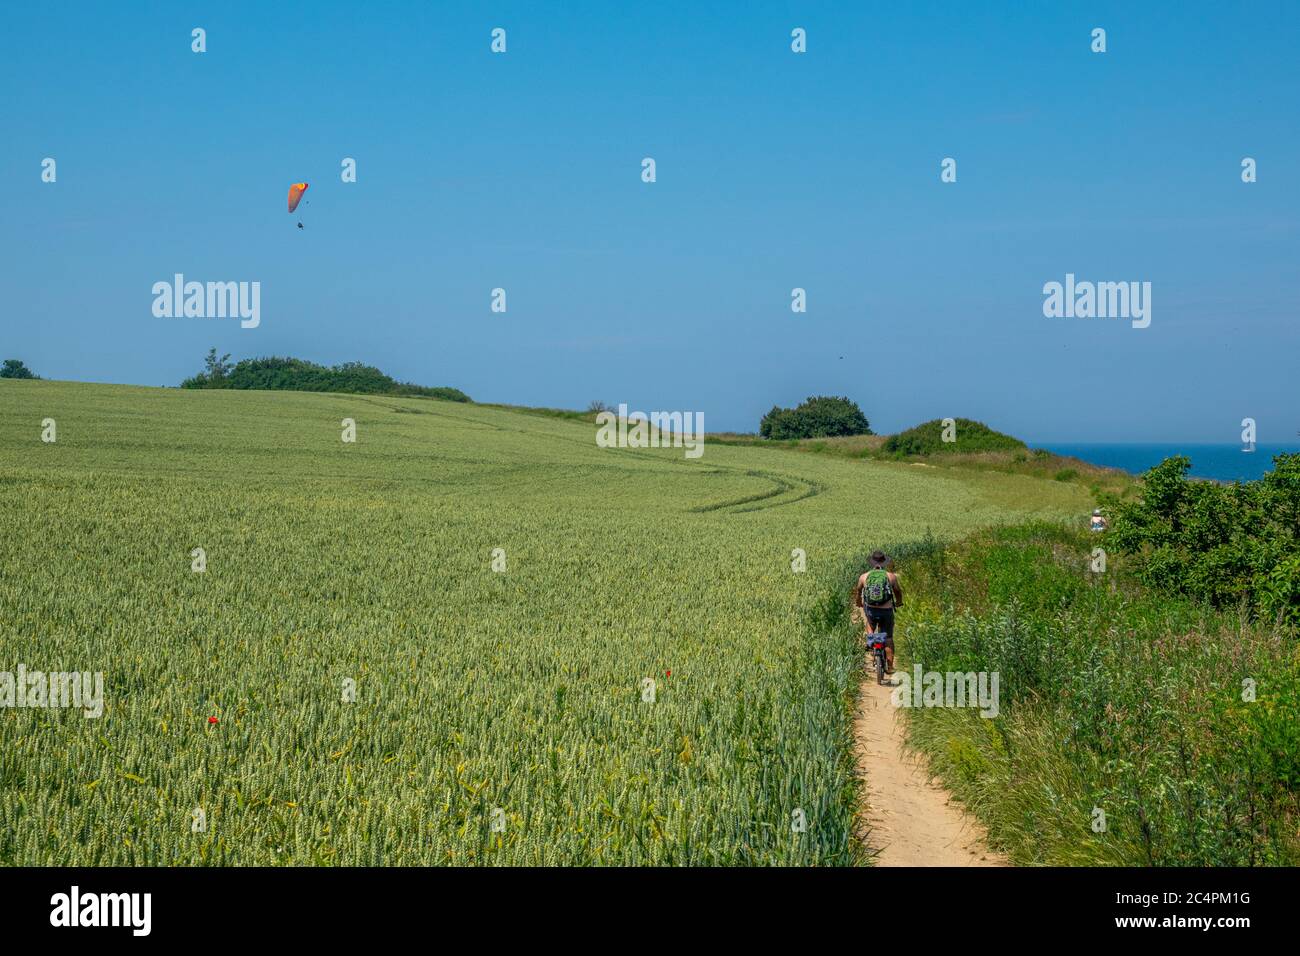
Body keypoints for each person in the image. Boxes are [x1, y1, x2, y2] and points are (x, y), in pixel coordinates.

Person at [854, 550, 902, 674]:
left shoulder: (864, 576)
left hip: (871, 608)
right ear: (884, 563)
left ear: (872, 562)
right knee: (889, 637)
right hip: (886, 610)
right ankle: (890, 667)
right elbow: (897, 591)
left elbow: (858, 591)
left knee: (870, 623)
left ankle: (871, 640)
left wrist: (858, 602)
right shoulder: (890, 576)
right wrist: (898, 602)